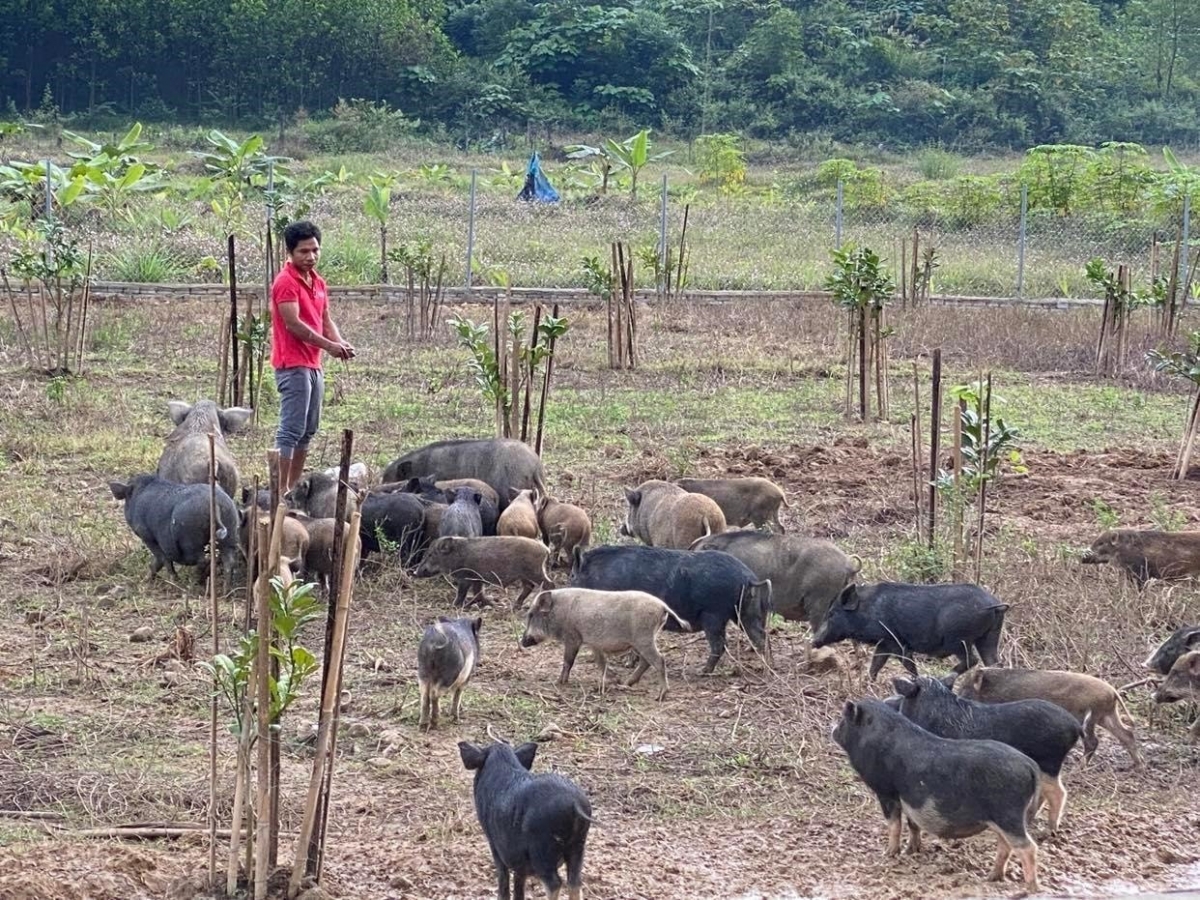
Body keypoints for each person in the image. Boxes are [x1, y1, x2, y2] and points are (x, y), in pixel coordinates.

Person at [271, 220, 355, 494]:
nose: (311, 257)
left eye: (315, 250)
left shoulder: (317, 282)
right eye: (303, 252)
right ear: (290, 252)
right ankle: (281, 489)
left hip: (312, 363)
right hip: (292, 364)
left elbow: (325, 319)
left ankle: (292, 488)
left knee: (308, 430)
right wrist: (329, 346)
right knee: (291, 429)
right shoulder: (286, 282)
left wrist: (339, 342)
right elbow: (294, 324)